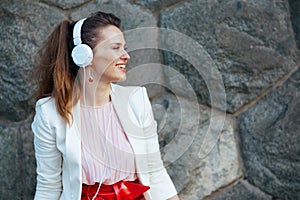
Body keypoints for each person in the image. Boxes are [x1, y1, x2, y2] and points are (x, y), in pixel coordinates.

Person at [31, 11, 179, 200]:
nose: (126, 56)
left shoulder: (136, 100)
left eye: (124, 48)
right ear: (84, 55)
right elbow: (48, 187)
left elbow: (155, 171)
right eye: (116, 48)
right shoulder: (49, 112)